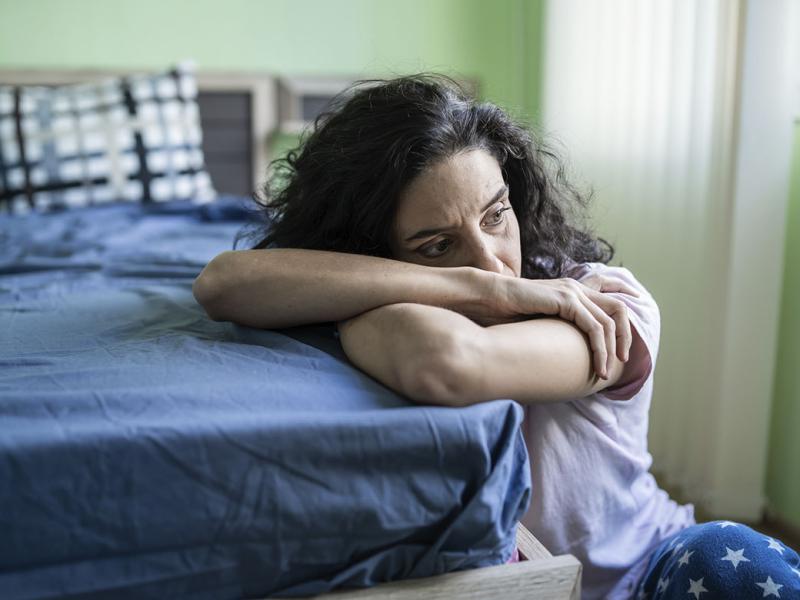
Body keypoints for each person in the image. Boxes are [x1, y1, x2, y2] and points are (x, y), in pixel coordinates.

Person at [193, 75, 799, 599]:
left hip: (650, 574)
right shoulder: (460, 294)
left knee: (727, 562)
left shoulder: (604, 305)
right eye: (438, 245)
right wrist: (495, 294)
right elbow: (223, 284)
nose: (491, 264)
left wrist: (386, 287)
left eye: (495, 215)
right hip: (518, 585)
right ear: (373, 253)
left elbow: (448, 362)